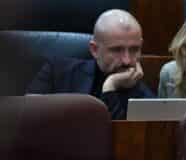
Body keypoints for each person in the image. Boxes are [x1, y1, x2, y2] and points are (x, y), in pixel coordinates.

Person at [26, 9, 154, 120]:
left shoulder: (142, 96)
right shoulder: (56, 71)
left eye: (134, 49)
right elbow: (27, 116)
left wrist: (110, 88)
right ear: (94, 50)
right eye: (116, 50)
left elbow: (121, 140)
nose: (127, 60)